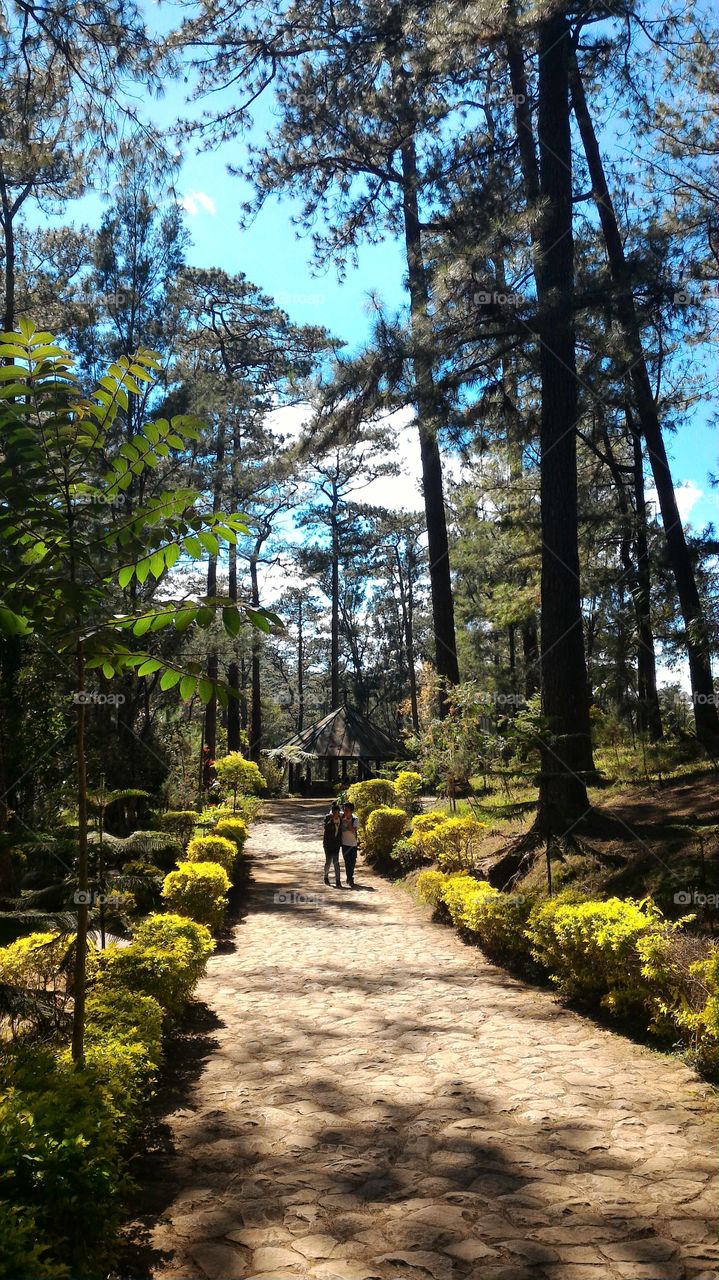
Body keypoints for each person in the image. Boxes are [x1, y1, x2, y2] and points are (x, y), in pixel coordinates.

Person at [323, 802, 343, 887]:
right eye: (334, 812)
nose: (336, 814)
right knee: (328, 861)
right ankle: (326, 876)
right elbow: (326, 828)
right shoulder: (328, 818)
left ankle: (338, 880)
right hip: (328, 844)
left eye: (337, 812)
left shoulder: (341, 819)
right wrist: (331, 821)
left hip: (336, 845)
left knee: (336, 862)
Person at [340, 801, 360, 888]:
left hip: (353, 844)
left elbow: (353, 830)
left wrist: (347, 823)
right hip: (344, 844)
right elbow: (331, 813)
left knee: (353, 863)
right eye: (344, 810)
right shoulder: (341, 816)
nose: (345, 812)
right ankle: (350, 879)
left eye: (347, 810)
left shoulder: (355, 819)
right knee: (347, 862)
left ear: (351, 811)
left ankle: (349, 878)